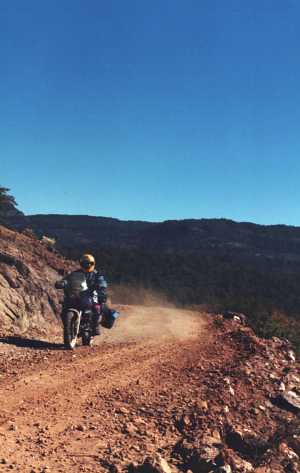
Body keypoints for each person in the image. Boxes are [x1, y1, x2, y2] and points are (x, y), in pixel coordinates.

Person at [55, 253, 111, 336]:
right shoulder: (75, 273)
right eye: (85, 263)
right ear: (81, 264)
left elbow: (102, 281)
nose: (87, 265)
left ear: (93, 264)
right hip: (77, 294)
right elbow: (68, 279)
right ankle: (68, 325)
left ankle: (95, 326)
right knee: (65, 306)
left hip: (90, 294)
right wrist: (62, 283)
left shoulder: (97, 274)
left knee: (96, 307)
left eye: (89, 263)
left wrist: (101, 285)